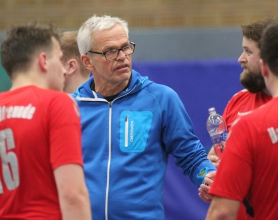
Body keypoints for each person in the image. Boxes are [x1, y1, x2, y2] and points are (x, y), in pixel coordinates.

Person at [71, 14, 216, 219]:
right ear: (87, 61)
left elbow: (192, 157)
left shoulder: (161, 99)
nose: (122, 56)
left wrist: (208, 177)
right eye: (110, 51)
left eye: (126, 47)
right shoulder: (70, 107)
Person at [0, 23, 91, 219]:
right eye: (59, 59)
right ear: (43, 61)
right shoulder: (56, 104)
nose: (64, 71)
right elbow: (73, 195)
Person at [200, 18, 276, 219]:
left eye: (248, 51)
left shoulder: (252, 123)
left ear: (268, 59)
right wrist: (214, 179)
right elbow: (217, 154)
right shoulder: (238, 100)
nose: (240, 58)